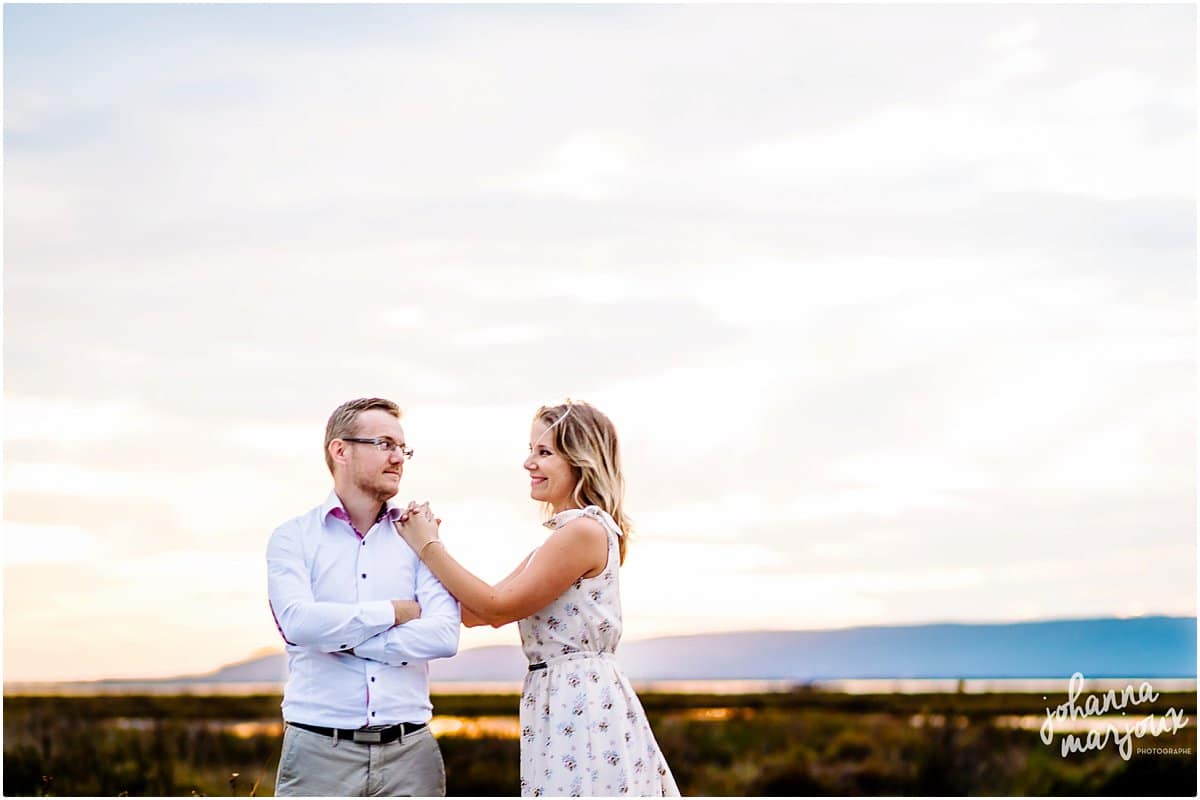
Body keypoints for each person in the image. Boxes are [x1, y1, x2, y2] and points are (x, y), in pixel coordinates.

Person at [395, 401, 680, 797]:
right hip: (558, 698)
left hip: (580, 699)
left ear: (581, 461)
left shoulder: (583, 532)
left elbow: (497, 607)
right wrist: (400, 606)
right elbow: (477, 613)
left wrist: (429, 545)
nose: (529, 462)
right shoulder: (558, 540)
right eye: (531, 450)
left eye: (544, 452)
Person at [266, 397, 460, 797]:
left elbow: (443, 636)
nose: (399, 458)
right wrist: (393, 611)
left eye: (402, 448)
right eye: (385, 444)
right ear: (341, 450)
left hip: (412, 755)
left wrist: (345, 641)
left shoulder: (419, 535)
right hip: (319, 753)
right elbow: (300, 624)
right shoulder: (293, 537)